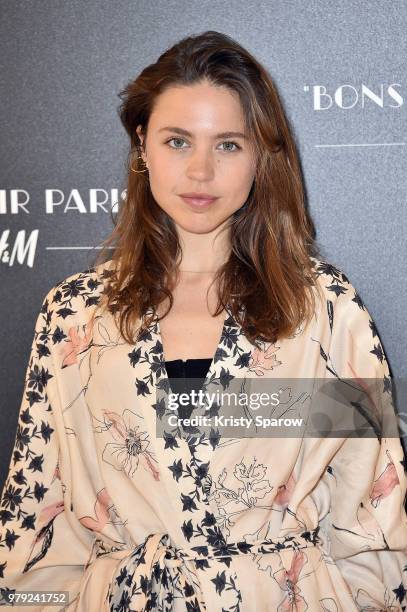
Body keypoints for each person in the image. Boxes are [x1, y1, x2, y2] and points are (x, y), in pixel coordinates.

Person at [0, 30, 406, 612]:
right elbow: (38, 520)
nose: (200, 171)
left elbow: (371, 510)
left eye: (228, 145)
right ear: (142, 145)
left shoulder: (323, 309)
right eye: (177, 141)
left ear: (262, 156)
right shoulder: (76, 315)